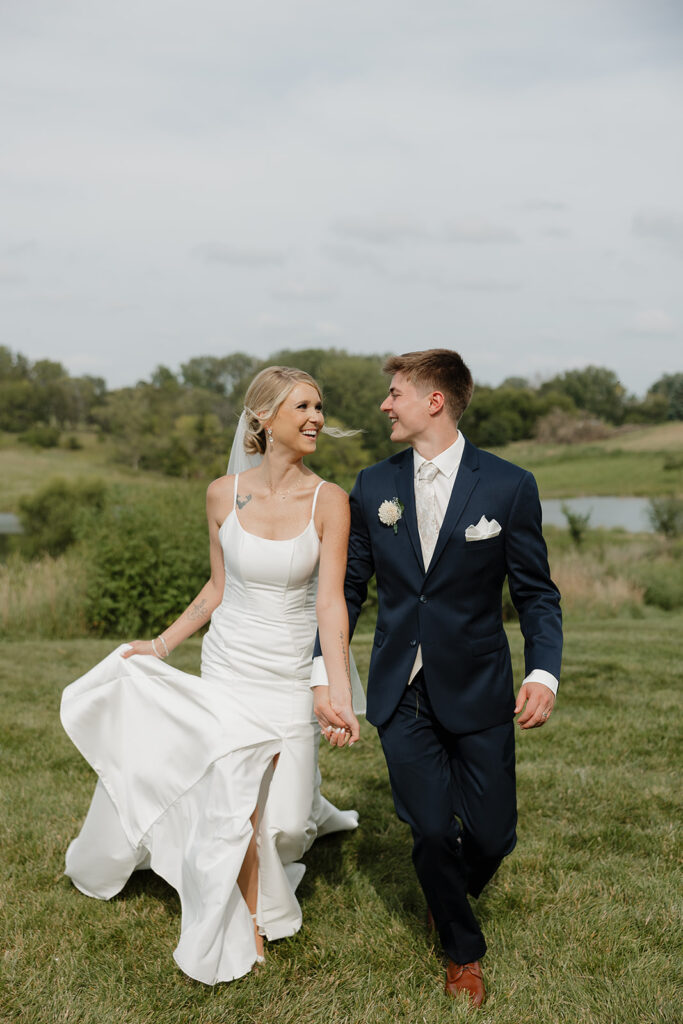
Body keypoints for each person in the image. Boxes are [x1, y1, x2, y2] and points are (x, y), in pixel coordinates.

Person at [60, 365, 362, 985]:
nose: (316, 419)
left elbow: (331, 602)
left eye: (319, 407)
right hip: (228, 668)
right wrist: (162, 645)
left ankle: (308, 805)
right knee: (233, 808)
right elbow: (218, 587)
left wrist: (333, 687)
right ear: (263, 418)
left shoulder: (331, 501)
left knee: (280, 828)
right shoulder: (222, 494)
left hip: (285, 675)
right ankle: (248, 922)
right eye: (302, 407)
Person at [312, 349, 562, 1008]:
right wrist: (324, 670)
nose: (384, 404)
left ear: (433, 401)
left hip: (480, 685)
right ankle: (461, 951)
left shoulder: (507, 486)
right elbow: (346, 590)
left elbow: (535, 593)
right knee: (427, 828)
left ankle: (446, 892)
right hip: (400, 688)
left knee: (490, 836)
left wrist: (543, 671)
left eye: (395, 393)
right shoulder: (371, 486)